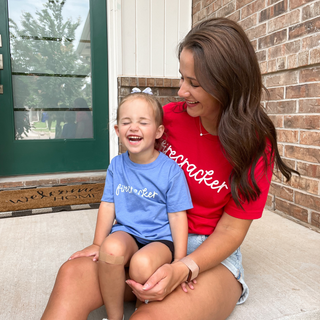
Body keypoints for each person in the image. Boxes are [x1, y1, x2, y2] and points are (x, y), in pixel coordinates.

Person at [41, 17, 297, 320]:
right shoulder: (169, 120)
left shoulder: (256, 144)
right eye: (182, 77)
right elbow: (131, 167)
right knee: (71, 274)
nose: (181, 91)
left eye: (194, 83)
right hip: (148, 237)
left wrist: (184, 266)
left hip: (206, 251)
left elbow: (231, 229)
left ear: (228, 85)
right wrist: (105, 241)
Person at [50, 90, 192, 320]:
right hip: (127, 231)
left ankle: (142, 309)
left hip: (159, 238)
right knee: (110, 250)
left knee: (142, 264)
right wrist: (97, 242)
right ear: (118, 130)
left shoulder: (171, 171)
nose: (133, 127)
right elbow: (108, 204)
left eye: (143, 122)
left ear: (158, 132)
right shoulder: (117, 165)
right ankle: (115, 317)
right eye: (126, 122)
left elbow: (177, 216)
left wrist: (180, 260)